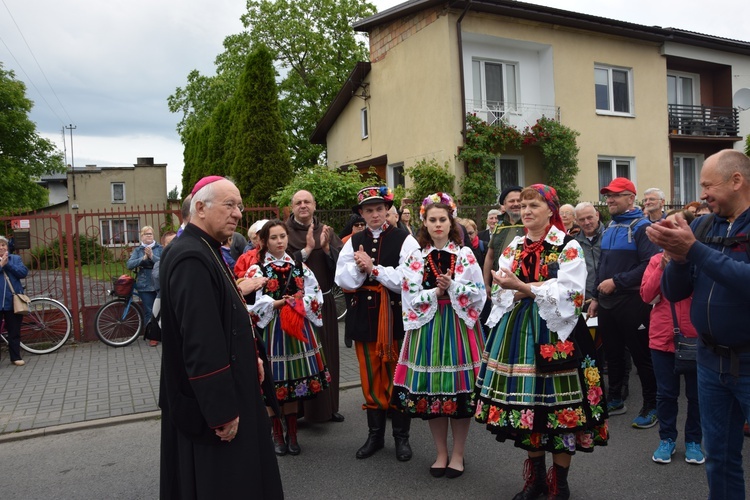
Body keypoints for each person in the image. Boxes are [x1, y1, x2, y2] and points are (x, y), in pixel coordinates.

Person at [474, 185, 608, 500]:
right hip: (518, 334)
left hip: (559, 333)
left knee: (564, 411)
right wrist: (529, 287)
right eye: (522, 206)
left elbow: (572, 294)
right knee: (528, 409)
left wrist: (523, 287)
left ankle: (558, 484)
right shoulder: (515, 245)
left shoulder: (567, 245)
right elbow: (499, 289)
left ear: (551, 210)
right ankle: (535, 480)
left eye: (534, 205)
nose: (526, 211)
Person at [159, 175, 283, 499]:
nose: (238, 213)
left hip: (233, 382)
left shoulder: (205, 249)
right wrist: (222, 412)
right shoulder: (191, 256)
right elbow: (201, 340)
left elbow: (225, 315)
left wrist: (251, 355)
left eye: (239, 206)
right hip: (213, 406)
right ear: (200, 207)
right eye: (230, 205)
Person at [646, 149, 750, 499]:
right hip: (710, 362)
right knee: (718, 458)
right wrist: (675, 259)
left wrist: (694, 251)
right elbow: (676, 293)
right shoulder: (705, 225)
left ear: (737, 180)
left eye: (708, 185)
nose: (702, 193)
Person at [392, 193, 486, 479]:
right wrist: (437, 291)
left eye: (442, 219)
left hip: (457, 326)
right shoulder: (415, 256)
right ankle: (440, 453)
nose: (437, 225)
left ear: (451, 221)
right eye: (432, 220)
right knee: (434, 394)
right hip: (428, 325)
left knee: (458, 394)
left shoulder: (465, 254)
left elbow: (479, 291)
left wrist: (454, 286)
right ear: (424, 222)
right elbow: (408, 294)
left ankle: (457, 454)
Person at [335, 185, 420, 461]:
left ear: (387, 211)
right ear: (361, 212)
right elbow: (342, 279)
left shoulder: (404, 239)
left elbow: (408, 280)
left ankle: (401, 438)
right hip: (365, 317)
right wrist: (360, 270)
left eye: (379, 209)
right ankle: (375, 436)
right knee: (370, 375)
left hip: (395, 316)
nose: (374, 214)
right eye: (368, 210)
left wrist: (374, 269)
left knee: (397, 375)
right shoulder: (352, 240)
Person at [247, 220, 330, 457]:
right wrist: (281, 303)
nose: (279, 241)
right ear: (264, 241)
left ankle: (292, 434)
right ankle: (276, 433)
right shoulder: (257, 270)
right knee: (272, 383)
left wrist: (301, 303)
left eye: (282, 236)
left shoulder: (300, 266)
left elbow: (316, 294)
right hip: (272, 331)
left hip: (296, 328)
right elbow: (252, 304)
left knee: (293, 383)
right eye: (273, 237)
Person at [588, 178, 660, 429]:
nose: (609, 200)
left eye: (616, 195)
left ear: (631, 198)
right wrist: (596, 297)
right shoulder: (609, 227)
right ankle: (616, 398)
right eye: (608, 196)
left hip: (632, 301)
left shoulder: (643, 227)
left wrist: (616, 282)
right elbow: (603, 265)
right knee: (614, 354)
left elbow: (651, 265)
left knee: (642, 357)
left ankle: (652, 405)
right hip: (607, 302)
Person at [640, 209, 703, 465]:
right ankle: (666, 439)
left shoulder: (701, 259)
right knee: (666, 394)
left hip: (695, 336)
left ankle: (693, 442)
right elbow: (647, 296)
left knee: (697, 396)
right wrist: (664, 267)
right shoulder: (656, 260)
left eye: (678, 226)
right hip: (662, 337)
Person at [285, 190, 344, 424]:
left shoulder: (327, 232)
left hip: (324, 303)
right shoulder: (283, 232)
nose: (302, 205)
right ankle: (298, 411)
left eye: (306, 201)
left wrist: (328, 249)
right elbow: (281, 268)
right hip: (297, 307)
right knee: (300, 357)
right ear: (292, 207)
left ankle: (328, 408)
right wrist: (307, 251)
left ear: (314, 205)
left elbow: (343, 268)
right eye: (298, 202)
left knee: (327, 353)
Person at [482, 186, 524, 295]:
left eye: (519, 200)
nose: (516, 203)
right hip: (500, 284)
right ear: (504, 205)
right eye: (511, 201)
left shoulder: (530, 224)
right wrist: (486, 284)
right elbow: (490, 256)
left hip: (524, 284)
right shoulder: (499, 225)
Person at [0, 235, 28, 366]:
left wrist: (8, 265)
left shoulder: (15, 259)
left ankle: (15, 357)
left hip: (13, 301)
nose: (1, 247)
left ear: (7, 247)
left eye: (3, 245)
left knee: (14, 331)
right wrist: (1, 265)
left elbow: (23, 273)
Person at [126, 226, 162, 324]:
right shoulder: (138, 250)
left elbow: (165, 262)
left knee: (161, 311)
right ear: (141, 237)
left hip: (159, 283)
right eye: (146, 234)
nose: (149, 236)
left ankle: (163, 334)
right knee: (149, 311)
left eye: (150, 234)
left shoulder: (160, 248)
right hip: (144, 284)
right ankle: (151, 335)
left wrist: (151, 256)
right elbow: (129, 265)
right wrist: (143, 258)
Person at [148, 230, 177, 347]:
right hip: (164, 298)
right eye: (170, 242)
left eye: (177, 240)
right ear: (164, 246)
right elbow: (158, 282)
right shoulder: (159, 263)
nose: (175, 244)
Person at [573, 202, 603, 303]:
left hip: (609, 296)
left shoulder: (610, 236)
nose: (586, 222)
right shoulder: (573, 243)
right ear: (576, 221)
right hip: (584, 299)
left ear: (597, 215)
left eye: (589, 217)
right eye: (581, 219)